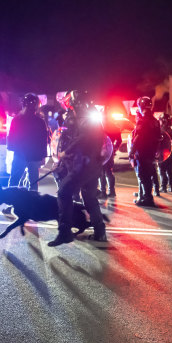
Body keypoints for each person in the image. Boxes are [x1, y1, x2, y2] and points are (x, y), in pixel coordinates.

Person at [48, 90, 107, 246]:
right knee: (90, 198)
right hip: (92, 165)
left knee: (63, 193)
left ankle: (65, 232)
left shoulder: (81, 117)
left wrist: (65, 152)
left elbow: (82, 138)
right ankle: (100, 232)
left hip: (82, 166)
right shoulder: (92, 115)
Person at [6, 93, 50, 194]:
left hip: (20, 154)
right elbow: (43, 140)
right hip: (34, 156)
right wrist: (43, 156)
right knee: (33, 182)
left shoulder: (17, 119)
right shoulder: (40, 121)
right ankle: (32, 204)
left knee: (14, 180)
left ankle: (11, 202)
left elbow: (11, 137)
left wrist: (12, 148)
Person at [128, 96, 161, 207]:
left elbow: (137, 136)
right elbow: (159, 138)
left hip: (142, 151)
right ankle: (147, 197)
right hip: (151, 152)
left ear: (141, 107)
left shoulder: (142, 121)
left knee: (143, 175)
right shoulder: (155, 121)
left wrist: (132, 150)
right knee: (149, 174)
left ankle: (147, 198)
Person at [98, 109, 122, 198]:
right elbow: (119, 140)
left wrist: (114, 148)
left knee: (103, 172)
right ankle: (111, 191)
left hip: (103, 152)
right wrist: (114, 148)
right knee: (108, 172)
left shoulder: (101, 127)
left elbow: (119, 140)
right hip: (107, 152)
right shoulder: (113, 126)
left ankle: (104, 191)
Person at [158, 114, 172, 192]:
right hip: (169, 152)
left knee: (162, 170)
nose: (159, 121)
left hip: (162, 152)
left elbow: (158, 142)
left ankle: (163, 186)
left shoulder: (161, 130)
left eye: (160, 120)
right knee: (169, 170)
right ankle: (171, 186)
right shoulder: (171, 130)